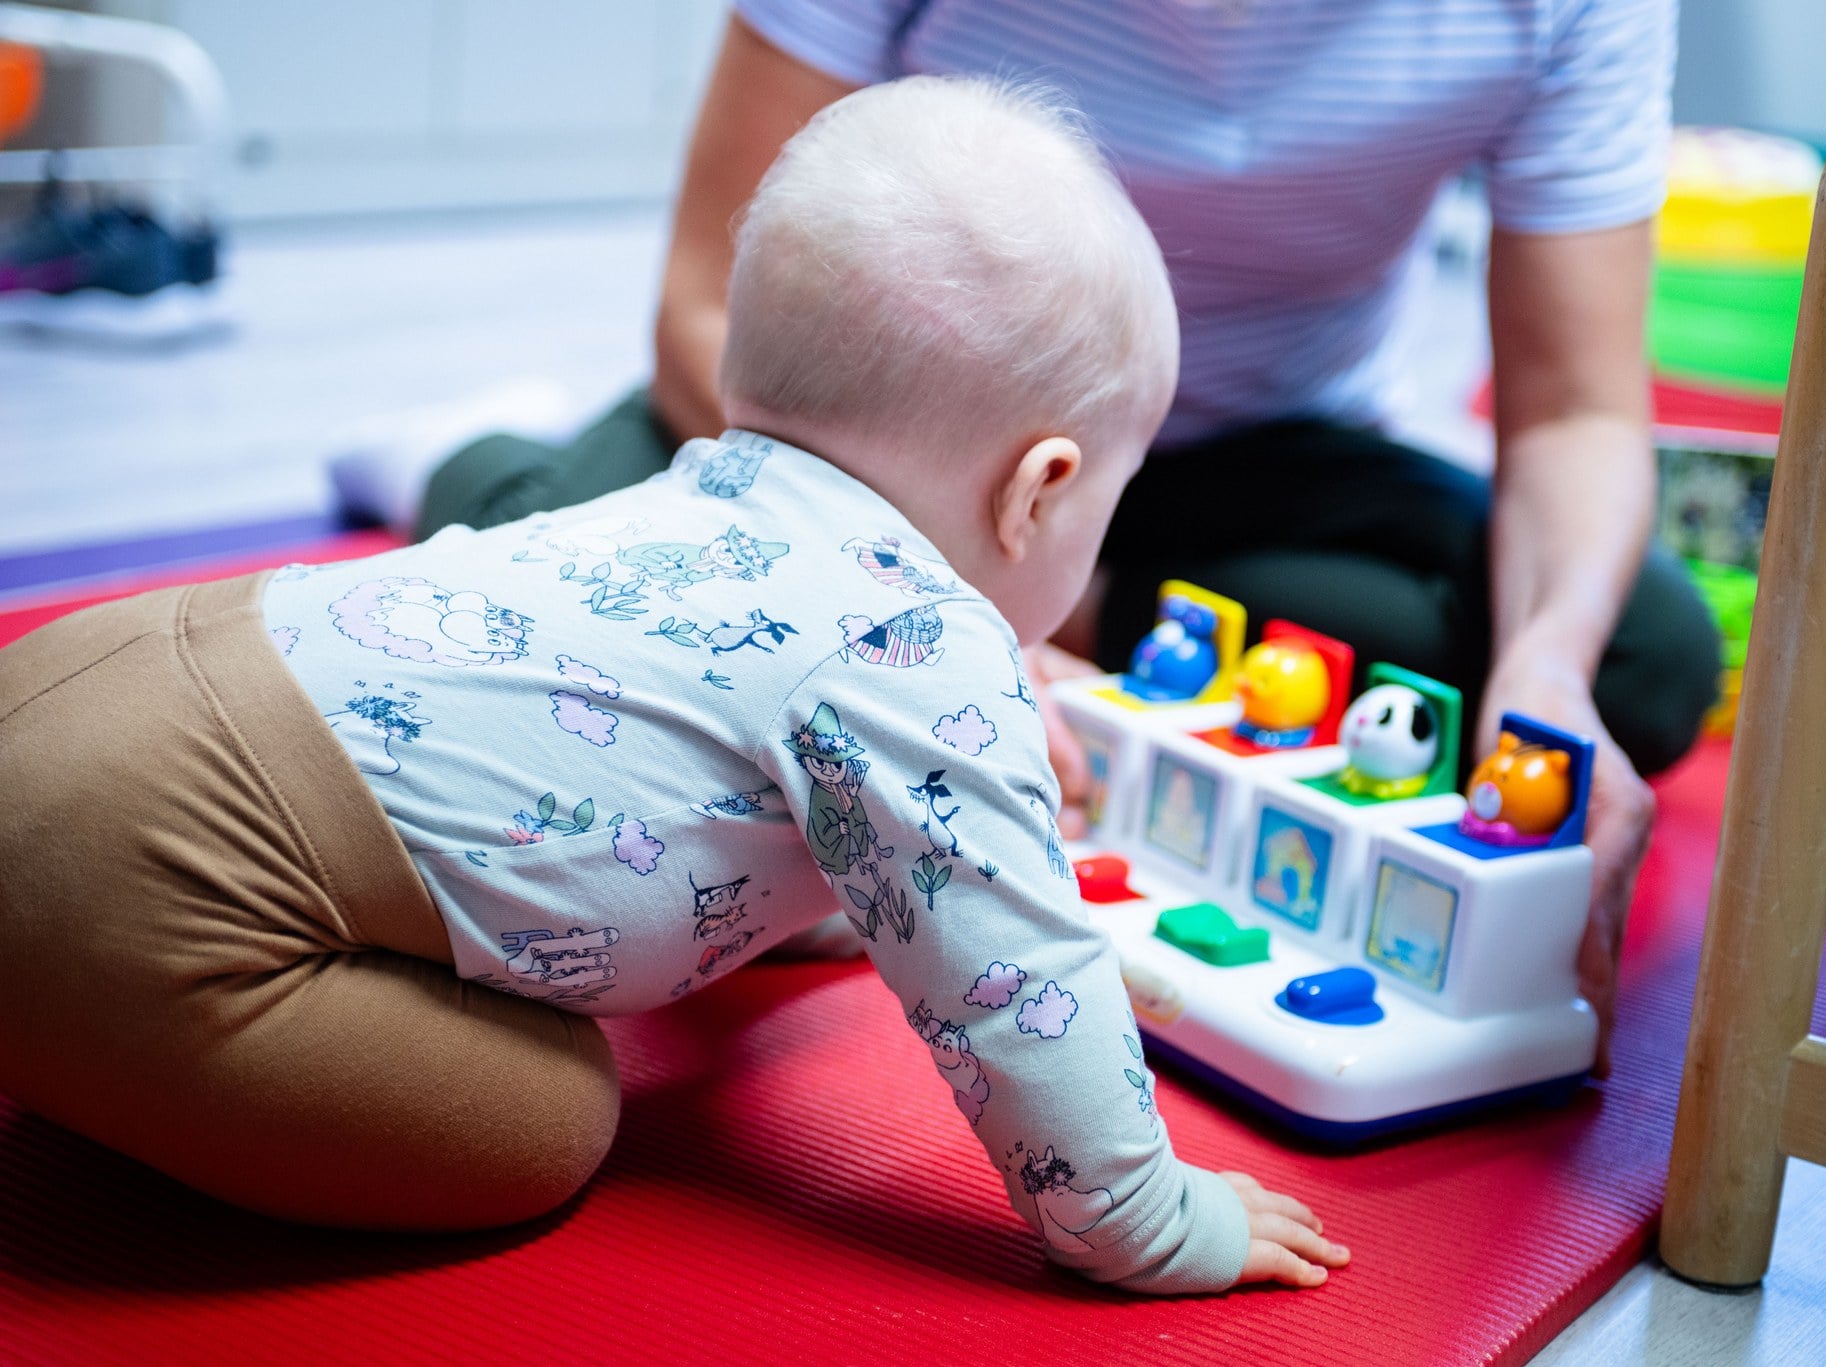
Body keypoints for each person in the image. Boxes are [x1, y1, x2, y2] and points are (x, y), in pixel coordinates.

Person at [0, 76, 1346, 1295]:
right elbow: (1012, 986)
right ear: (1043, 487)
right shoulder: (921, 647)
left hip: (88, 676)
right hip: (127, 893)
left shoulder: (682, 509)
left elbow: (801, 821)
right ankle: (63, 1020)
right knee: (540, 1118)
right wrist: (1154, 1219)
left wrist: (909, 893)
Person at [405, 2, 1721, 1070]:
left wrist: (1543, 669)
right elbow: (707, 301)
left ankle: (1080, 609)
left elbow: (1575, 410)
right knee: (562, 586)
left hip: (1265, 461)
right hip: (893, 452)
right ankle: (480, 459)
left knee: (1639, 660)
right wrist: (920, 614)